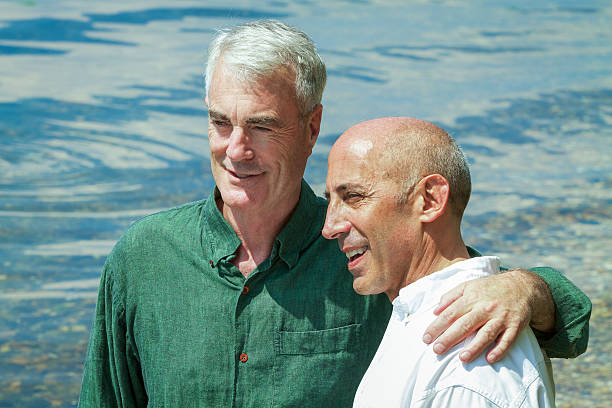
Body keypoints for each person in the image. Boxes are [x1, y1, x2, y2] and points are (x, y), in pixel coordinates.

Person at [78, 20, 590, 407]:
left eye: (262, 126)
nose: (235, 150)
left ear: (311, 126)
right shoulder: (143, 256)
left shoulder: (360, 249)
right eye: (220, 122)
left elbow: (554, 315)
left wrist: (523, 288)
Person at [323, 117, 556, 407]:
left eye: (353, 197)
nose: (329, 226)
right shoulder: (417, 313)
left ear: (430, 200)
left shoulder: (467, 365)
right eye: (330, 199)